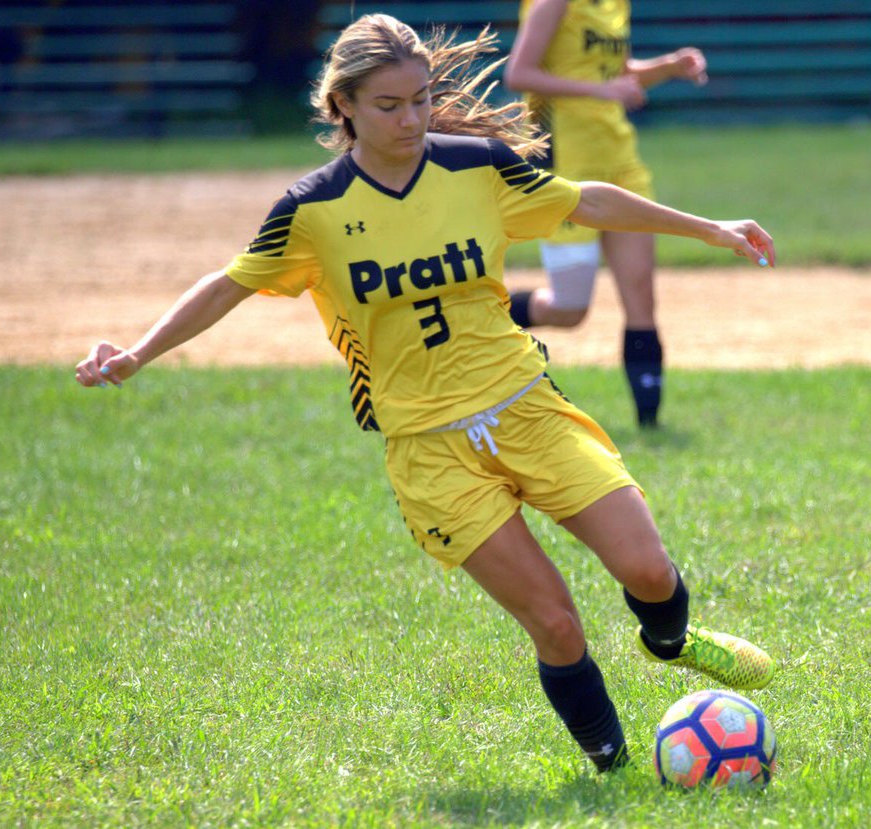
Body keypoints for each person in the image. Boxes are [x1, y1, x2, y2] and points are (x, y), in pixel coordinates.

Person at [74, 14, 777, 774]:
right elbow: (227, 285)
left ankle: (670, 641)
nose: (410, 119)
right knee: (556, 625)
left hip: (527, 407)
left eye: (420, 99)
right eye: (388, 105)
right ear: (342, 106)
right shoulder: (312, 211)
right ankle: (614, 772)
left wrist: (709, 228)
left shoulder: (477, 167)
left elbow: (588, 201)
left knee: (648, 571)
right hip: (429, 452)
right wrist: (137, 354)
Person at [504, 0, 733, 428]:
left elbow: (616, 72)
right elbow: (519, 74)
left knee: (641, 294)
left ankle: (650, 426)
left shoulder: (614, 4)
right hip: (566, 164)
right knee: (570, 309)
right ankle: (487, 310)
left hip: (618, 158)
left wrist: (668, 67)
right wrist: (602, 91)